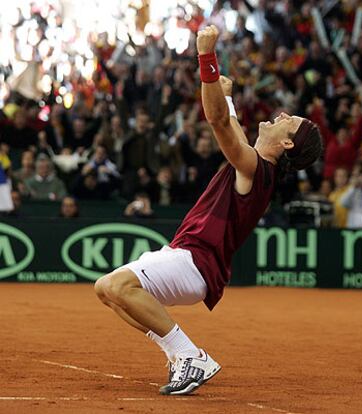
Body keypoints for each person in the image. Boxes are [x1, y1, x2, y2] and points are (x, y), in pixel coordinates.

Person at [94, 26, 322, 396]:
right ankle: (179, 354)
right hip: (186, 257)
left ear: (287, 142)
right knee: (106, 288)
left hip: (195, 261)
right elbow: (228, 122)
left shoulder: (255, 168)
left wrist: (206, 58)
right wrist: (227, 97)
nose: (281, 114)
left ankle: (190, 354)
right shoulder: (255, 164)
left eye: (289, 120)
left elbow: (218, 124)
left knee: (120, 285)